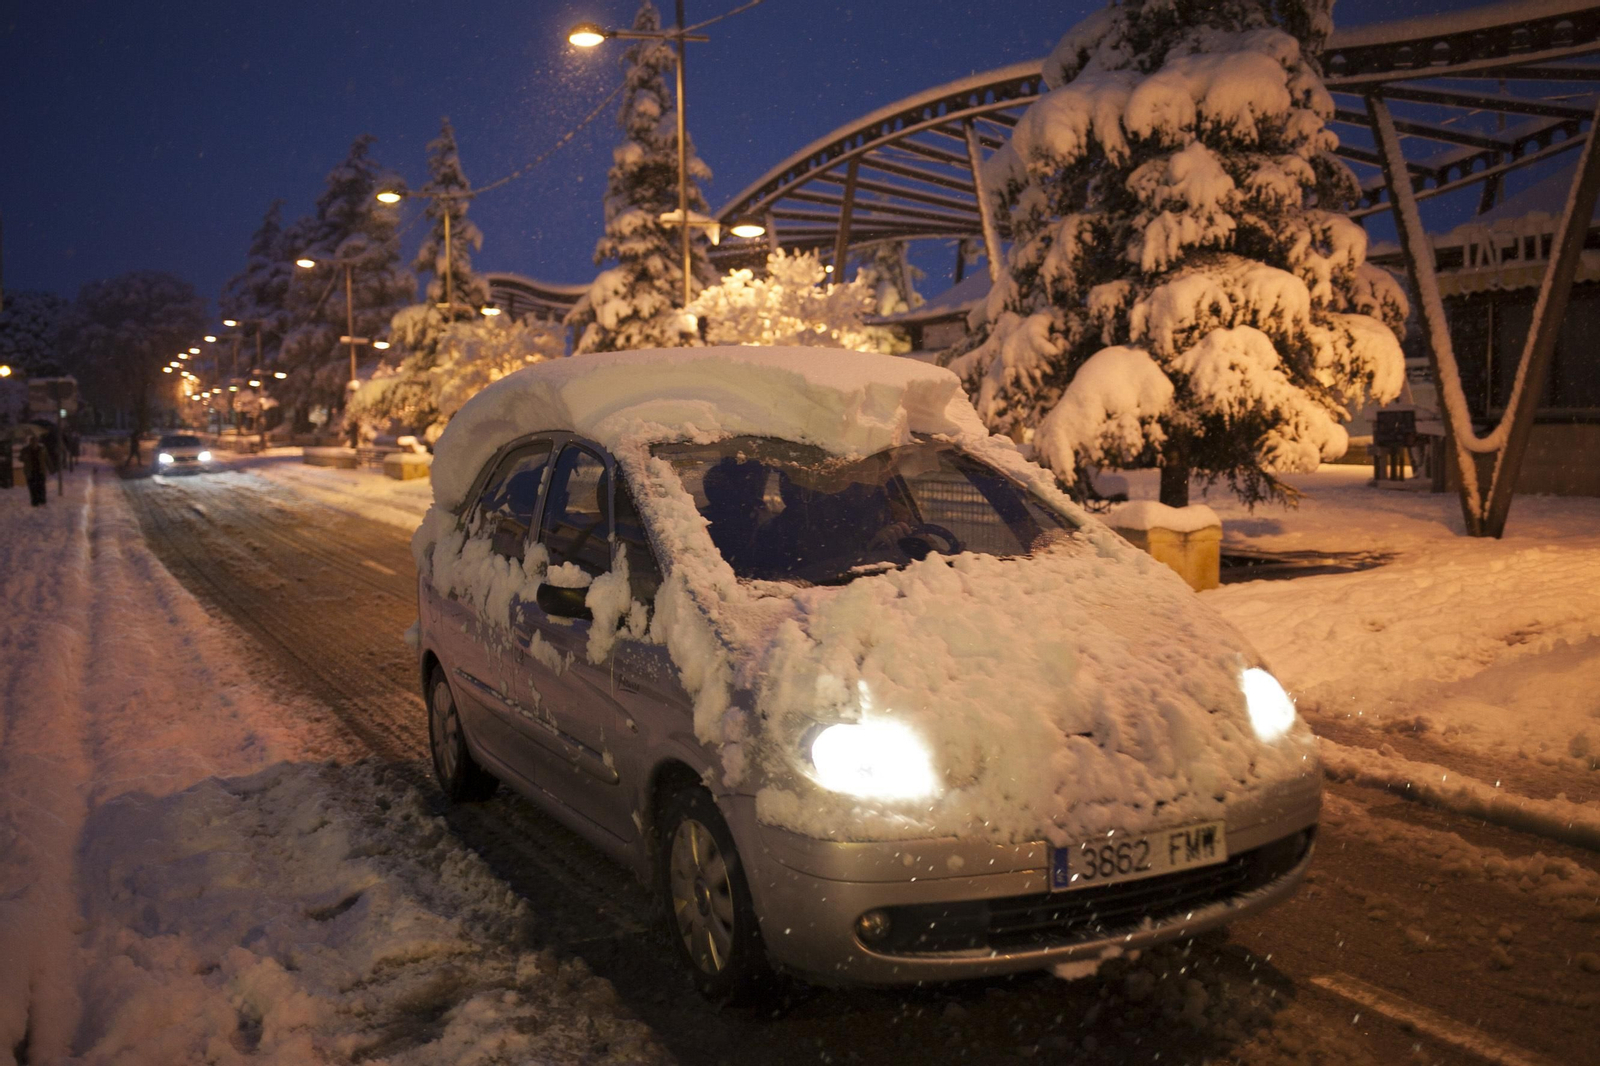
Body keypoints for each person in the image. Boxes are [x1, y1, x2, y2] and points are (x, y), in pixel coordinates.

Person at [20, 434, 51, 506]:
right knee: (32, 487)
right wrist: (24, 456)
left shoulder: (42, 449)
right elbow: (21, 458)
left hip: (40, 471)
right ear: (30, 442)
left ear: (37, 442)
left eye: (35, 441)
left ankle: (42, 501)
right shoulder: (25, 450)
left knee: (41, 486)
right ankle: (35, 502)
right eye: (32, 442)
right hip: (30, 471)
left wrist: (51, 468)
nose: (34, 443)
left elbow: (47, 459)